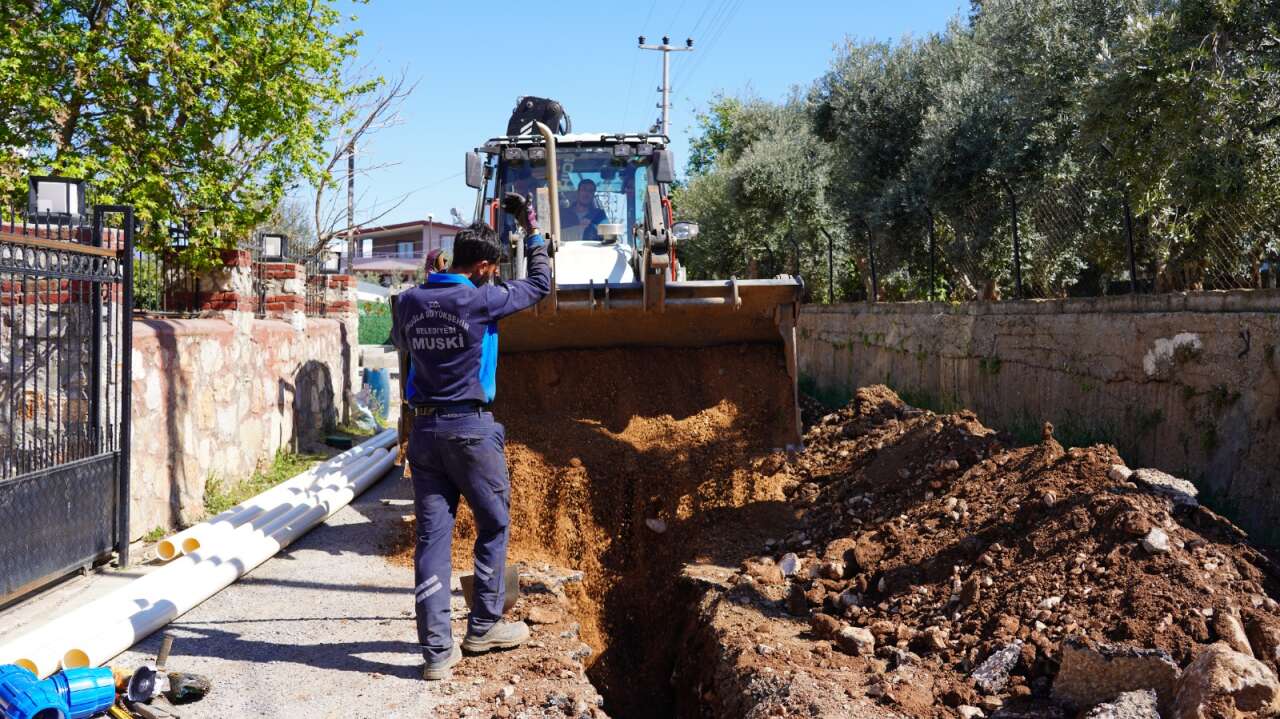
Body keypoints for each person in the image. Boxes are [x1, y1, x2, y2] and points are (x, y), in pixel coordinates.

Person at [392, 194, 550, 681]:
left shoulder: (409, 301)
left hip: (425, 431)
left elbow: (406, 344)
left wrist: (430, 281)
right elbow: (541, 284)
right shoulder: (482, 298)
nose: (493, 276)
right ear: (481, 266)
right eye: (491, 269)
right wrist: (533, 228)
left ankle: (437, 653)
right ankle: (482, 626)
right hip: (471, 432)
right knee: (493, 526)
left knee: (433, 541)